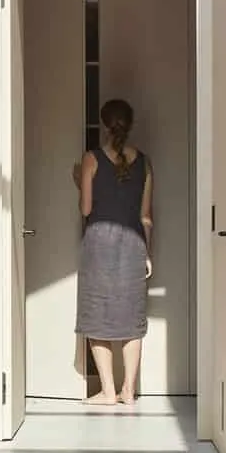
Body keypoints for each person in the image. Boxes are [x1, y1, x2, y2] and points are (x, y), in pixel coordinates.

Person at [71, 99, 153, 405]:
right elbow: (146, 217)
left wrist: (80, 182)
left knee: (97, 315)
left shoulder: (91, 159)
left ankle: (107, 391)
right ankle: (128, 391)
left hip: (98, 246)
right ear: (128, 125)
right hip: (133, 246)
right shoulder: (145, 162)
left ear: (105, 125)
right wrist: (147, 254)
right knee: (132, 319)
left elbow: (86, 209)